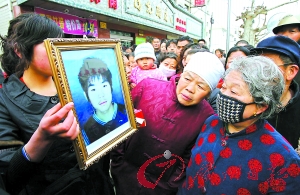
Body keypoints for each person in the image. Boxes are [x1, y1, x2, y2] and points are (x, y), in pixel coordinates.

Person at [0, 13, 114, 195]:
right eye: (48, 43)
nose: (58, 49)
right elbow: (8, 179)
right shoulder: (4, 101)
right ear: (19, 50)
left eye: (59, 41)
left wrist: (120, 119)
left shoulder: (76, 82)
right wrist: (41, 139)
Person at [178, 56, 300, 195]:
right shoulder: (211, 122)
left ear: (260, 107)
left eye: (234, 92)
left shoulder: (283, 160)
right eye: (223, 87)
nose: (224, 95)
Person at [111, 52, 225, 195]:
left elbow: (190, 157)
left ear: (209, 94)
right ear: (181, 74)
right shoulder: (147, 87)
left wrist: (170, 185)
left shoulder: (207, 116)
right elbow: (122, 122)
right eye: (187, 79)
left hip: (161, 187)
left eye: (201, 87)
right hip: (124, 172)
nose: (190, 88)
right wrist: (118, 161)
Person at [251, 35, 300, 149]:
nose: (259, 74)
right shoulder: (246, 101)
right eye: (256, 66)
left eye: (267, 67)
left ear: (291, 71)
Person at [78, 58, 128, 145]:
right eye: (93, 89)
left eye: (104, 86)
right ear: (86, 95)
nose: (100, 95)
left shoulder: (127, 111)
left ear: (111, 86)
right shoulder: (86, 130)